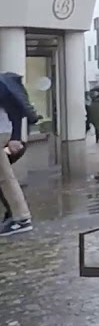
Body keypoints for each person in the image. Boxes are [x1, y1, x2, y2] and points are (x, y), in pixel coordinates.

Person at [0, 72, 39, 236]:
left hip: (2, 132)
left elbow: (16, 108)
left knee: (4, 176)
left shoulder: (3, 84)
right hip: (4, 132)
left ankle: (21, 218)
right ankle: (17, 216)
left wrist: (16, 136)